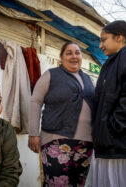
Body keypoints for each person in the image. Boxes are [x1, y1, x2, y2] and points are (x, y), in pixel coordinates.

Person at [28, 41, 95, 186]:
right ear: (61, 57)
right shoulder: (51, 75)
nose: (74, 56)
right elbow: (35, 102)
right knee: (56, 183)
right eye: (69, 53)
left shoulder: (89, 79)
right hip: (56, 139)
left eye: (77, 52)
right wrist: (33, 133)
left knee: (78, 184)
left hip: (86, 142)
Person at [92, 20, 126, 187]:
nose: (100, 45)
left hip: (119, 147)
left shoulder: (125, 57)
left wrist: (113, 127)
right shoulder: (112, 62)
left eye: (103, 39)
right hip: (111, 146)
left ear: (119, 37)